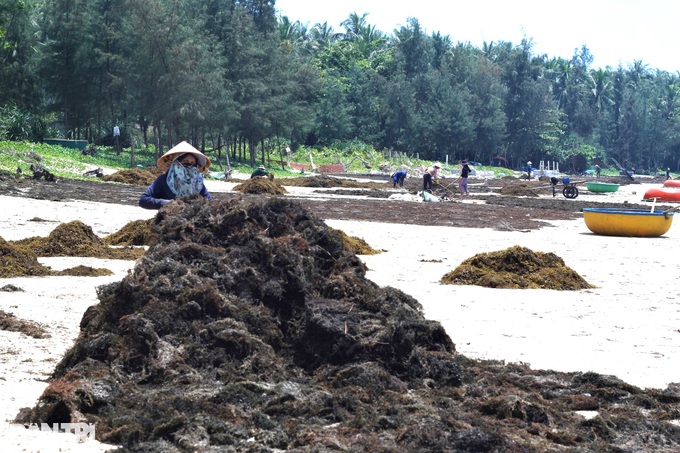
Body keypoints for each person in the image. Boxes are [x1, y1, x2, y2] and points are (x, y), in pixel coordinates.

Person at [139, 141, 213, 210]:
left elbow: (209, 202)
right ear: (176, 163)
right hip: (169, 220)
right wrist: (167, 203)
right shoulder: (163, 180)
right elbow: (143, 200)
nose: (189, 165)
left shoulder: (197, 183)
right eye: (185, 162)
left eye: (192, 163)